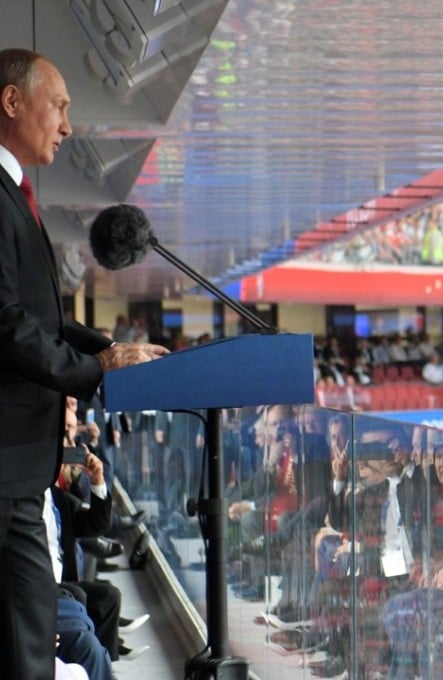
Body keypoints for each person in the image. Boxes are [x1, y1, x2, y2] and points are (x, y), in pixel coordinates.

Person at [0, 48, 167, 680]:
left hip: (19, 467)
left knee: (30, 643)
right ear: (13, 102)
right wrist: (97, 371)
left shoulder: (18, 194)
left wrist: (109, 350)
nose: (68, 125)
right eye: (61, 105)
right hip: (7, 459)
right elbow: (7, 325)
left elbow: (40, 320)